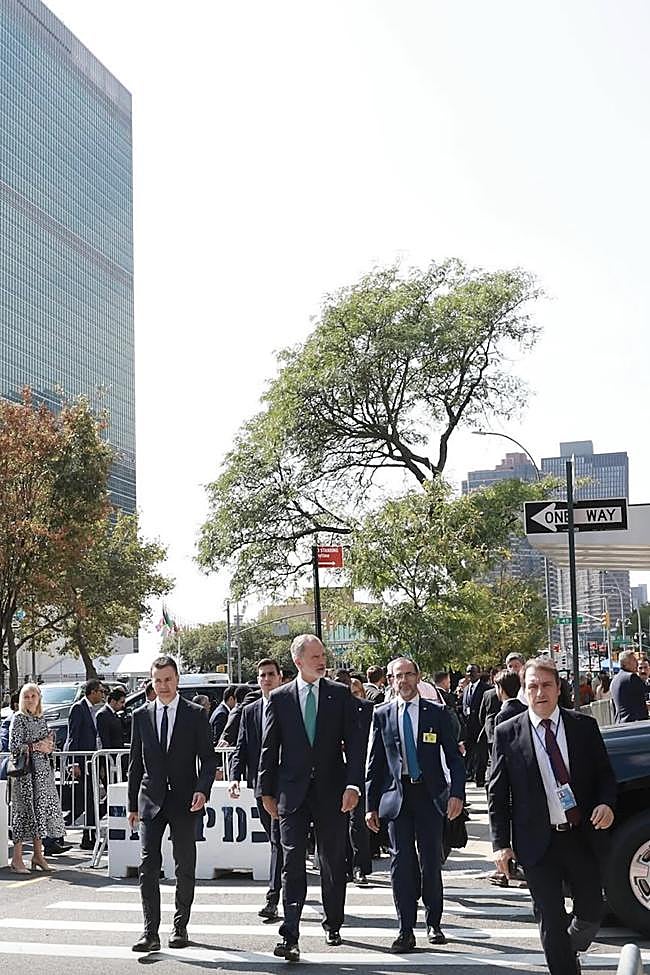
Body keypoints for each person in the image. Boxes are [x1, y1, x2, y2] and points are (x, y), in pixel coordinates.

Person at [488, 656, 617, 975]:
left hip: (580, 836)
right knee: (549, 917)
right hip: (536, 843)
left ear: (558, 688)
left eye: (546, 685)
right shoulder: (507, 732)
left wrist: (606, 803)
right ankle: (562, 963)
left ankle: (568, 947)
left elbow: (605, 775)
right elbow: (497, 792)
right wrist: (500, 844)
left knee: (591, 910)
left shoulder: (583, 726)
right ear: (524, 691)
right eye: (532, 686)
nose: (539, 692)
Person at [259, 634, 363, 963]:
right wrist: (265, 790)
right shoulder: (279, 698)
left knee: (332, 860)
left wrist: (353, 786)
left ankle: (333, 921)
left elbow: (356, 745)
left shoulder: (339, 695)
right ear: (298, 661)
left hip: (332, 792)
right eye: (315, 655)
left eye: (323, 654)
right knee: (291, 862)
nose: (322, 660)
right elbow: (268, 748)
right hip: (292, 793)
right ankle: (290, 933)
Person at [366, 657, 465, 952]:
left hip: (430, 797)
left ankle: (434, 921)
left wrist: (457, 794)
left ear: (418, 677)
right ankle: (405, 928)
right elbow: (375, 764)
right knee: (401, 864)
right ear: (391, 680)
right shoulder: (382, 714)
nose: (405, 681)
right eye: (399, 676)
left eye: (410, 674)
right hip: (397, 799)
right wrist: (370, 805)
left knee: (430, 860)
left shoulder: (436, 713)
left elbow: (454, 757)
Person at [127, 655, 217, 953]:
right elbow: (135, 764)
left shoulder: (195, 714)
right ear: (150, 683)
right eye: (157, 680)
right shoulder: (141, 715)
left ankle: (180, 927)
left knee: (184, 866)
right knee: (147, 866)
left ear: (177, 679)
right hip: (150, 800)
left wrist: (203, 790)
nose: (163, 686)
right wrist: (132, 805)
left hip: (184, 801)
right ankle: (149, 932)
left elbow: (208, 759)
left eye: (168, 679)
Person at [228, 658, 283, 920]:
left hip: (286, 785)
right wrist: (235, 776)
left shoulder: (289, 706)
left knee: (278, 840)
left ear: (280, 677)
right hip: (260, 785)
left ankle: (273, 897)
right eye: (261, 675)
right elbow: (241, 746)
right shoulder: (249, 711)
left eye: (271, 674)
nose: (266, 679)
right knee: (275, 840)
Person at [9, 683, 66, 874]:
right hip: (25, 774)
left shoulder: (40, 718)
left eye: (34, 696)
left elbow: (48, 744)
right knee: (23, 812)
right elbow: (14, 746)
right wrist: (36, 747)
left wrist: (48, 746)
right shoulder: (19, 718)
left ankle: (38, 855)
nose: (30, 699)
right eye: (26, 696)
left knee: (40, 813)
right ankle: (17, 859)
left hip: (42, 773)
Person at [334, 671, 373, 886]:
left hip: (358, 770)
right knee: (337, 823)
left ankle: (360, 866)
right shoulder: (326, 707)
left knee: (358, 821)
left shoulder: (365, 708)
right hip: (333, 772)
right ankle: (342, 865)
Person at [64, 678, 105, 850]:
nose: (103, 695)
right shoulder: (78, 708)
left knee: (90, 799)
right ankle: (81, 834)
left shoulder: (92, 710)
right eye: (101, 691)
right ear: (93, 691)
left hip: (91, 762)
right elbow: (73, 736)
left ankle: (89, 836)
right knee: (86, 799)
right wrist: (73, 762)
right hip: (81, 762)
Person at [462, 665, 490, 785]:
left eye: (472, 672)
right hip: (469, 727)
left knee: (481, 753)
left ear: (478, 673)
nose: (470, 674)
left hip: (480, 726)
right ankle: (469, 773)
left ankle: (480, 778)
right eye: (468, 672)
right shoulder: (466, 689)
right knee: (469, 752)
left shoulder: (486, 689)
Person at [610, 650, 648, 722]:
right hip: (634, 723)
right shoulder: (631, 677)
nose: (637, 663)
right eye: (634, 660)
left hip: (621, 722)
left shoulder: (615, 679)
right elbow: (646, 689)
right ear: (625, 663)